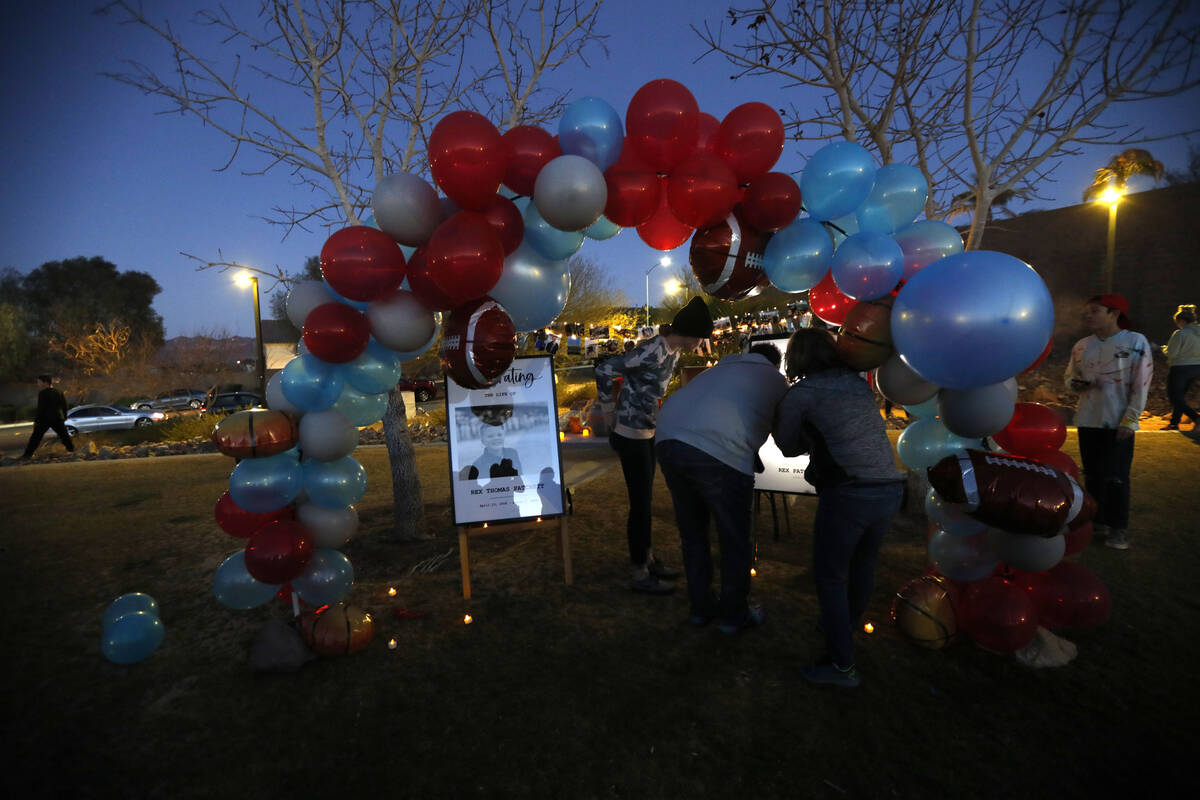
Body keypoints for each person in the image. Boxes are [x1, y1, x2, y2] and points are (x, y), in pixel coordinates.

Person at [774, 329, 904, 689]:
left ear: (795, 359)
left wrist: (807, 437)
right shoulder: (856, 384)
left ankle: (842, 665)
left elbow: (786, 445)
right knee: (863, 564)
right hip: (889, 487)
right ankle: (844, 627)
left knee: (829, 576)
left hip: (850, 491)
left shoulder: (801, 395)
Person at [655, 343, 789, 632]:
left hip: (667, 440)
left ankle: (700, 609)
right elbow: (786, 435)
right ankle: (733, 615)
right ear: (774, 363)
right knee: (734, 538)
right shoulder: (776, 380)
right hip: (720, 451)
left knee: (693, 534)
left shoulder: (719, 370)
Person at [595, 296, 713, 594]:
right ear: (688, 331)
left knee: (646, 501)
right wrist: (609, 412)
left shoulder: (672, 351)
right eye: (700, 337)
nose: (701, 343)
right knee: (640, 505)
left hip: (647, 433)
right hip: (629, 434)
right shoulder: (653, 350)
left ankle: (647, 558)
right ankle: (639, 572)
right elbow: (605, 370)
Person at [1064, 294, 1153, 550]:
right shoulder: (1082, 345)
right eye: (1087, 311)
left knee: (1117, 477)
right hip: (1088, 419)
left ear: (1114, 314)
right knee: (1093, 476)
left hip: (1118, 422)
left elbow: (1141, 384)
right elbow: (1070, 377)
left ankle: (1118, 529)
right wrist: (1076, 384)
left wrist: (1130, 418)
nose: (1088, 315)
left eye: (1094, 311)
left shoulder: (1135, 342)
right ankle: (1097, 522)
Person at [1163, 304, 1200, 430]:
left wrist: (1164, 350)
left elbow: (1172, 353)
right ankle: (1174, 422)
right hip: (1196, 367)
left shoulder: (1180, 333)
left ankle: (1196, 418)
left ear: (1181, 320)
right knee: (1180, 396)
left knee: (1174, 396)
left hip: (1180, 367)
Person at [22, 375, 75, 460]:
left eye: (39, 382)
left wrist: (37, 420)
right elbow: (64, 405)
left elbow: (41, 408)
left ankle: (27, 455)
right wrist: (64, 416)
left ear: (45, 383)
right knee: (64, 436)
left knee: (35, 438)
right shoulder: (59, 392)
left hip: (44, 419)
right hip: (57, 418)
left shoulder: (42, 393)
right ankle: (71, 450)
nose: (38, 384)